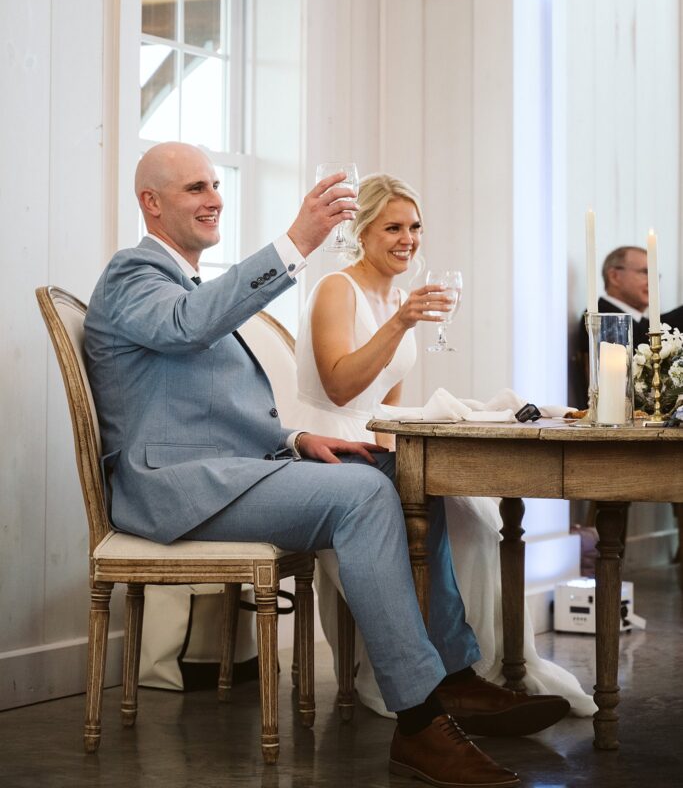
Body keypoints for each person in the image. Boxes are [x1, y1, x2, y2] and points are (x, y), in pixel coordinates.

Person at [84, 142, 570, 788]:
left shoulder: (183, 285)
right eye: (195, 188)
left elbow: (203, 398)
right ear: (151, 203)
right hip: (174, 488)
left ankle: (451, 678)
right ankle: (421, 721)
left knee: (397, 476)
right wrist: (294, 243)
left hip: (229, 472)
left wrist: (296, 439)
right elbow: (186, 327)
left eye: (215, 185)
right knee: (360, 496)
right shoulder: (132, 276)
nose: (214, 198)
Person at [293, 173, 596, 719]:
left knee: (477, 527)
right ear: (362, 232)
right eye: (392, 227)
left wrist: (409, 458)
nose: (408, 238)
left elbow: (385, 410)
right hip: (332, 457)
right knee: (440, 527)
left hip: (378, 451)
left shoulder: (394, 297)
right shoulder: (337, 289)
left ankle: (484, 673)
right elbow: (342, 387)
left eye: (415, 226)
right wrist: (403, 321)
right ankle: (443, 684)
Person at [573, 245, 683, 403]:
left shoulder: (641, 322)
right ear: (614, 276)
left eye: (655, 275)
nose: (652, 282)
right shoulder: (603, 317)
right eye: (645, 272)